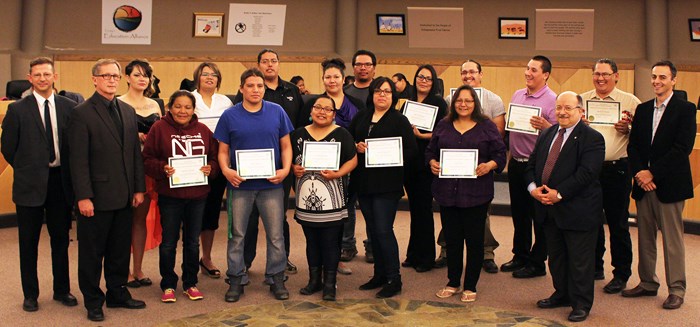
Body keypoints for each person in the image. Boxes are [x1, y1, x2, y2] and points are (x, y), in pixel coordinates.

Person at [68, 59, 146, 322]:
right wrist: (83, 196)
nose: (112, 80)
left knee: (119, 250)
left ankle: (117, 292)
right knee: (92, 252)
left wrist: (138, 188)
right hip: (96, 198)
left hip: (124, 195)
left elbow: (134, 153)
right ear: (95, 80)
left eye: (115, 76)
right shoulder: (81, 113)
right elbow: (77, 160)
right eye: (106, 76)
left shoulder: (126, 110)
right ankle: (93, 300)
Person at [1, 57, 78, 312]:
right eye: (38, 74)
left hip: (59, 183)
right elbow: (8, 148)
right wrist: (29, 167)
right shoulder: (17, 109)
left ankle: (62, 290)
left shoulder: (69, 107)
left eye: (47, 74)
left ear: (54, 76)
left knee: (60, 239)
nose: (43, 78)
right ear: (30, 78)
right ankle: (30, 294)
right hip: (30, 183)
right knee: (29, 242)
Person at [623, 60, 696, 310]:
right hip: (644, 185)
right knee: (645, 237)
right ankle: (647, 282)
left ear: (673, 80)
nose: (656, 81)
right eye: (654, 77)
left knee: (672, 240)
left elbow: (681, 149)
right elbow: (633, 146)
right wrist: (641, 174)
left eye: (662, 77)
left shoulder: (686, 109)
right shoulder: (642, 110)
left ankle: (676, 288)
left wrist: (651, 173)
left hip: (670, 185)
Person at [217, 68, 294, 302]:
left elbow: (286, 147)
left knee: (275, 234)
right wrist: (226, 170)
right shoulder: (230, 115)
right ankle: (236, 278)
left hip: (271, 185)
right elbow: (222, 151)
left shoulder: (277, 112)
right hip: (240, 186)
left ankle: (276, 277)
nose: (255, 90)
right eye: (250, 85)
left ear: (264, 88)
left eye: (259, 86)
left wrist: (285, 170)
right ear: (241, 88)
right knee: (237, 235)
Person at [527, 91, 605, 323]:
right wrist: (533, 189)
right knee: (557, 257)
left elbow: (587, 173)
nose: (562, 112)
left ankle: (581, 303)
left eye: (568, 108)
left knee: (580, 261)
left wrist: (559, 194)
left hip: (578, 209)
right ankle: (561, 294)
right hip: (548, 207)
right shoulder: (548, 133)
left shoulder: (593, 138)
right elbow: (532, 164)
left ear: (581, 111)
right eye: (559, 107)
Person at [428, 85, 506, 303]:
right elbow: (430, 151)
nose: (463, 104)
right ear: (453, 103)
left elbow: (500, 155)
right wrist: (432, 162)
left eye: (468, 101)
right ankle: (453, 282)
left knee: (474, 241)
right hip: (447, 193)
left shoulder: (486, 126)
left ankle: (470, 285)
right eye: (459, 100)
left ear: (475, 104)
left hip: (476, 194)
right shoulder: (444, 125)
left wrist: (489, 165)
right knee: (452, 240)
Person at [142, 90, 219, 303]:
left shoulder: (203, 130)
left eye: (187, 107)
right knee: (168, 242)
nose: (182, 111)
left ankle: (190, 283)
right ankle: (168, 284)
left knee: (192, 242)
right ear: (169, 107)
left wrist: (209, 169)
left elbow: (214, 159)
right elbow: (147, 159)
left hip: (198, 195)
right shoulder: (158, 128)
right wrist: (162, 168)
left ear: (194, 110)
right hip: (170, 195)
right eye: (178, 106)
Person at [234, 49, 304, 275]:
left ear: (279, 64)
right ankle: (246, 261)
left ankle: (282, 261)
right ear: (258, 65)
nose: (270, 65)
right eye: (265, 61)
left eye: (274, 61)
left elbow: (300, 129)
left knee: (279, 218)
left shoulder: (292, 91)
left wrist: (292, 162)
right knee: (249, 218)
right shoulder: (248, 91)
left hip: (280, 167)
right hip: (248, 168)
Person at [349, 77, 418, 298]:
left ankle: (394, 279)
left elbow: (411, 152)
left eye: (387, 92)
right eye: (378, 91)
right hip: (364, 182)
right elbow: (348, 140)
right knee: (373, 230)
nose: (382, 95)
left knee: (383, 230)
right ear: (372, 94)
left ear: (393, 96)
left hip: (387, 184)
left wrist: (389, 154)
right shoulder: (362, 116)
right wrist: (356, 146)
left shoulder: (400, 120)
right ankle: (379, 274)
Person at [435, 59, 507, 273]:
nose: (468, 75)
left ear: (481, 74)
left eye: (472, 72)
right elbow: (441, 137)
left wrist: (487, 163)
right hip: (451, 175)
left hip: (478, 172)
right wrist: (434, 161)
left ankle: (486, 254)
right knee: (451, 215)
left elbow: (499, 136)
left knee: (479, 218)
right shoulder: (449, 99)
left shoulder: (493, 100)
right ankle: (447, 251)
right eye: (464, 72)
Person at [297, 58, 366, 274]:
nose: (332, 80)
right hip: (316, 169)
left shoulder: (356, 104)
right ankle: (328, 260)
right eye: (328, 77)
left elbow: (362, 131)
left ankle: (344, 250)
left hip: (347, 163)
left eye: (336, 76)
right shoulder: (312, 103)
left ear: (344, 79)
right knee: (322, 213)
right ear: (323, 79)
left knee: (346, 207)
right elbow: (302, 133)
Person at [579, 58, 640, 292]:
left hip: (617, 169)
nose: (600, 79)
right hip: (589, 171)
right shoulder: (582, 100)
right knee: (590, 221)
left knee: (618, 223)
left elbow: (643, 135)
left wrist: (630, 130)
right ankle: (595, 266)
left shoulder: (631, 102)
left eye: (605, 74)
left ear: (616, 76)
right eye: (596, 74)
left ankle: (621, 273)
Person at [291, 95, 358, 301]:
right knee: (311, 241)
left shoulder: (341, 134)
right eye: (318, 107)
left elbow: (353, 160)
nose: (322, 112)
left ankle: (330, 283)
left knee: (330, 242)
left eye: (327, 109)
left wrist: (338, 173)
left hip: (332, 200)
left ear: (334, 114)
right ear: (311, 111)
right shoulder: (298, 134)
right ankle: (314, 280)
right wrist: (294, 168)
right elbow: (288, 159)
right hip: (306, 200)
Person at [501, 55, 557, 279]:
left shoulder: (552, 100)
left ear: (545, 75)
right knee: (519, 213)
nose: (528, 73)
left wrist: (546, 126)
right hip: (516, 163)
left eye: (534, 70)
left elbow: (558, 134)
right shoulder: (517, 94)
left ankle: (537, 262)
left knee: (539, 217)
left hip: (538, 167)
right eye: (527, 68)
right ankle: (520, 255)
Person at [118, 59, 161, 289]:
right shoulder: (117, 103)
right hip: (124, 168)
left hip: (147, 168)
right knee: (123, 220)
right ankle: (123, 270)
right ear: (127, 77)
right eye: (137, 75)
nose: (142, 79)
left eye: (146, 75)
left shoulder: (155, 105)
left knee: (140, 220)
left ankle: (138, 268)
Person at [401, 65, 447, 273]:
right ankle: (413, 253)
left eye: (428, 78)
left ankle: (426, 258)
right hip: (410, 162)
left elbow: (442, 132)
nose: (423, 81)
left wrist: (421, 136)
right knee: (414, 210)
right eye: (420, 77)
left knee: (424, 210)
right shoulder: (408, 103)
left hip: (427, 162)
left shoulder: (438, 103)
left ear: (434, 82)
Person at [192, 62, 233, 280]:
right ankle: (190, 258)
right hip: (193, 163)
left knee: (211, 210)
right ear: (197, 77)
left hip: (218, 161)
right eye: (205, 74)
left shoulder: (225, 101)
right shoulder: (189, 99)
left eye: (214, 74)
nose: (209, 77)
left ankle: (206, 257)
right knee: (192, 211)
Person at [344, 49, 377, 263]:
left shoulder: (380, 92)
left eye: (367, 64)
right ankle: (347, 245)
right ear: (353, 67)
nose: (363, 68)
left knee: (373, 205)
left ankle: (373, 246)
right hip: (350, 157)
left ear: (374, 68)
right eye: (359, 64)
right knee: (348, 203)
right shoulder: (345, 93)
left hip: (376, 160)